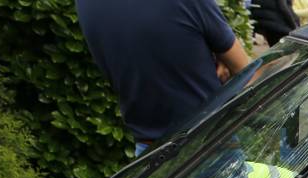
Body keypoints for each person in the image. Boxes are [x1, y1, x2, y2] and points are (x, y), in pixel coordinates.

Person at [76, 0, 251, 155]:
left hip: (149, 157)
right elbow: (246, 70)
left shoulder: (85, 3)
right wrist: (217, 55)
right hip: (209, 148)